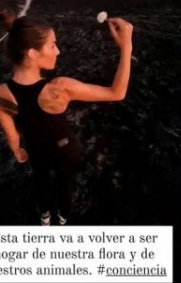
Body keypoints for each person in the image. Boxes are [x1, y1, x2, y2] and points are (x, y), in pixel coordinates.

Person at [0, 13, 133, 225]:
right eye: (53, 45)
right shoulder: (59, 88)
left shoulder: (2, 93)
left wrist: (18, 151)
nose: (58, 51)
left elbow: (11, 133)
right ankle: (62, 218)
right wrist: (126, 48)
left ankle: (44, 216)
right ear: (33, 53)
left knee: (41, 180)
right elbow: (117, 92)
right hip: (65, 149)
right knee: (65, 182)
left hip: (36, 151)